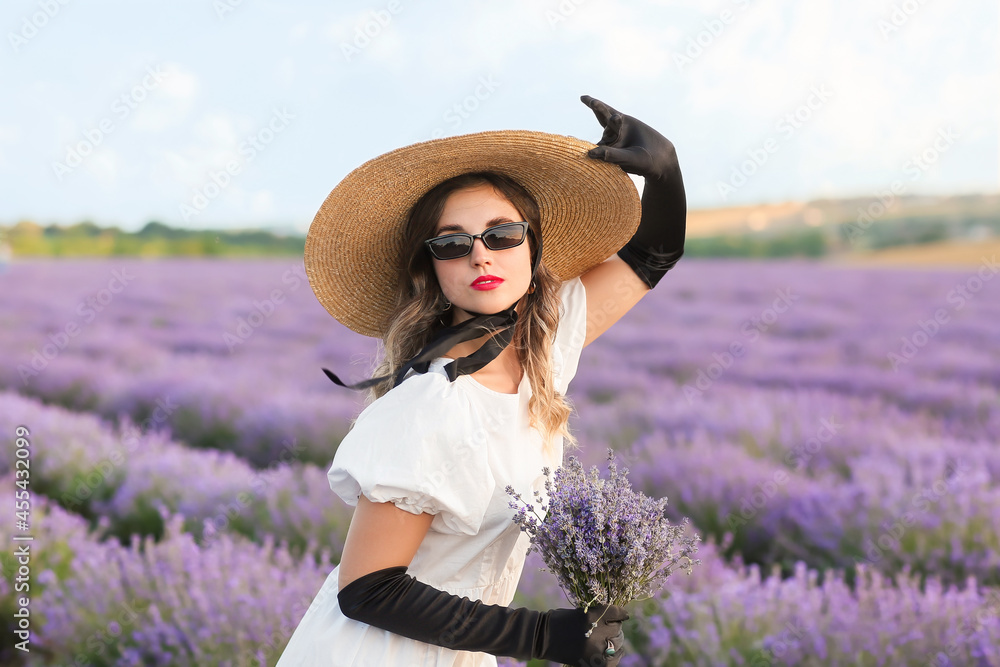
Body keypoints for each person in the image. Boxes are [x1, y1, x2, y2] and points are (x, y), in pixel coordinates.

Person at [275, 95, 686, 667]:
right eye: (451, 242)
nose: (479, 256)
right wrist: (542, 637)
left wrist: (666, 171)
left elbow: (653, 255)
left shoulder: (542, 350)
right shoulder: (429, 405)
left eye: (501, 234)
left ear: (532, 244)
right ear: (431, 268)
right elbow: (368, 589)